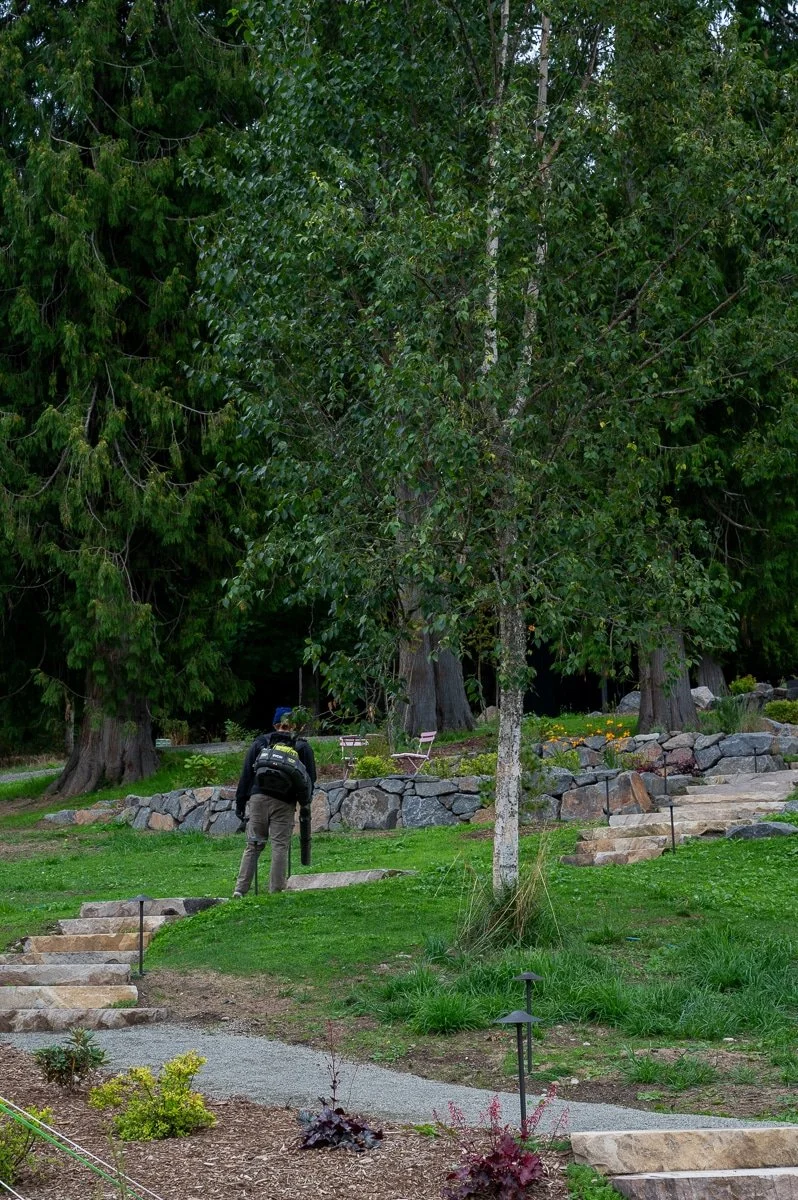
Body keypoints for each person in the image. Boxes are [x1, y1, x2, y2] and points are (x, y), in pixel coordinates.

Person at [232, 708, 317, 897]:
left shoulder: (261, 742)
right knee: (279, 845)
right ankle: (276, 891)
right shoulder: (302, 746)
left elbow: (246, 774)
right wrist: (304, 802)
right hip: (285, 801)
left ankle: (240, 889)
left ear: (274, 724)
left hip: (258, 798)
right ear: (294, 725)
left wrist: (240, 802)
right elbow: (311, 778)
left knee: (253, 844)